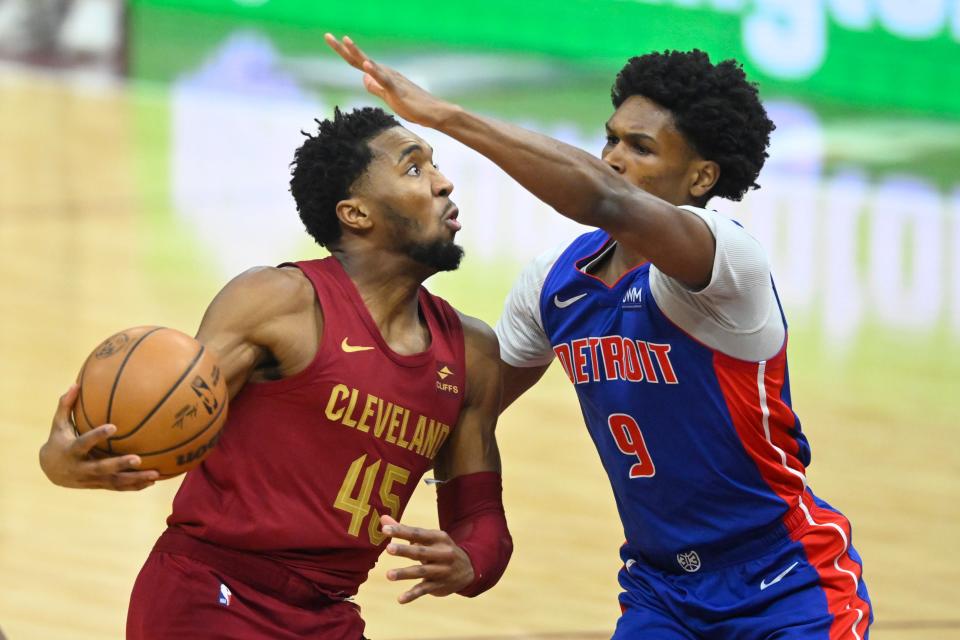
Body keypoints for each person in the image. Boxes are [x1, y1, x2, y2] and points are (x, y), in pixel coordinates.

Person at [327, 35, 873, 639]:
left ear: (701, 177)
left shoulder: (725, 261)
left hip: (784, 578)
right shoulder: (554, 283)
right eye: (610, 138)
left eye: (640, 148)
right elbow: (460, 408)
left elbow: (602, 198)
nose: (613, 157)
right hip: (660, 591)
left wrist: (444, 115)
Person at [39, 106, 513, 639]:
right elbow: (154, 426)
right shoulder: (278, 302)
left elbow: (483, 521)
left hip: (329, 613)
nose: (444, 182)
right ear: (355, 214)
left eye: (435, 166)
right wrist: (63, 460)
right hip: (210, 594)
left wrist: (470, 561)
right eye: (413, 169)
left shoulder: (470, 352)